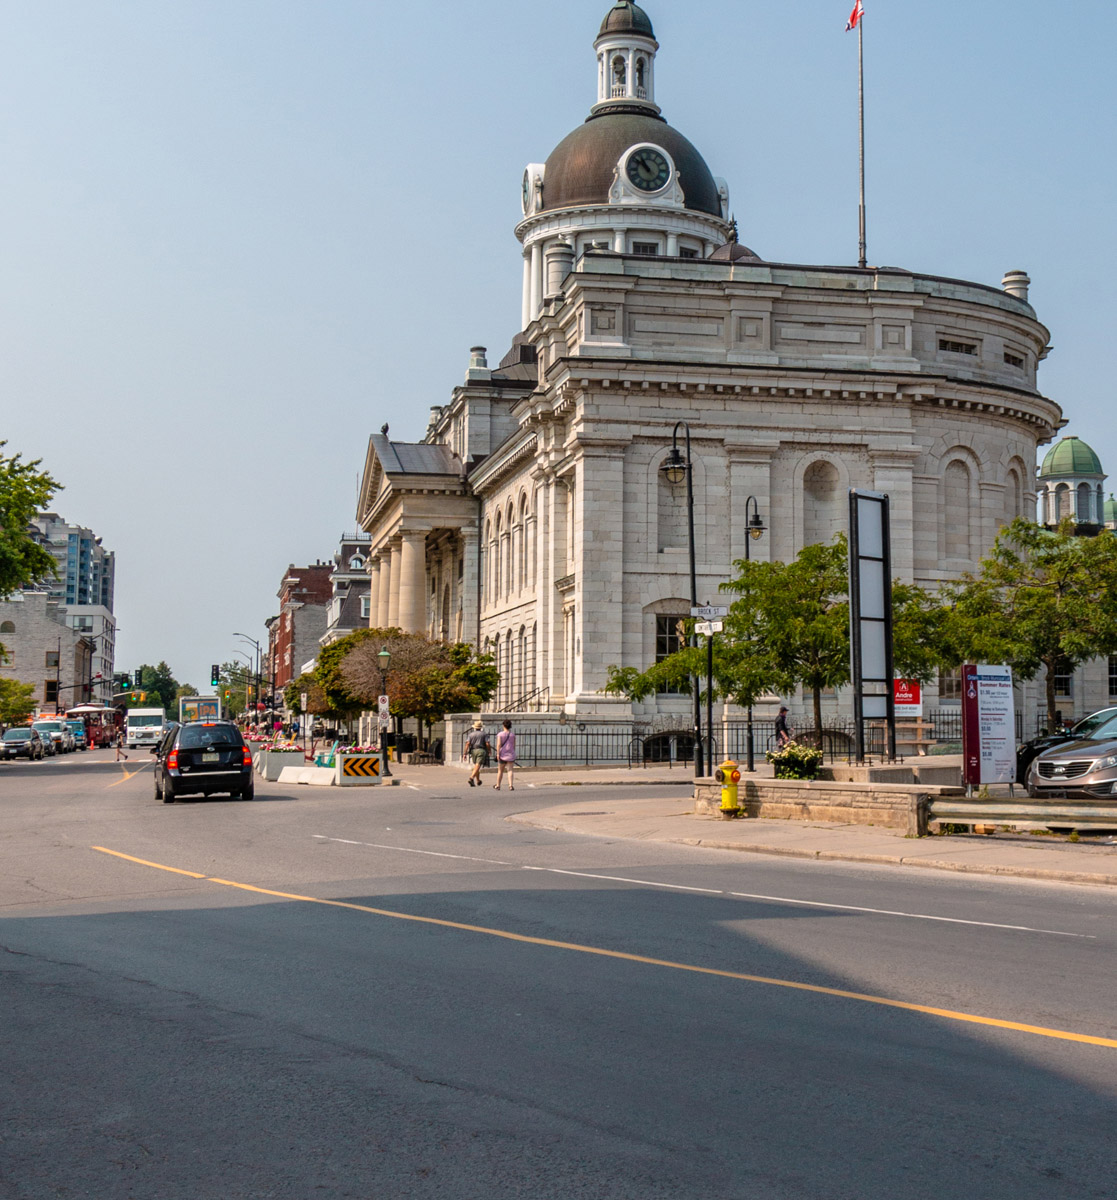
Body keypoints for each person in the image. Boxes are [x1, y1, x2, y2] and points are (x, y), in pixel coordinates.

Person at [462, 719, 491, 787]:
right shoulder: (484, 734)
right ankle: (471, 777)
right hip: (481, 750)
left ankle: (478, 780)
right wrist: (489, 750)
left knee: (476, 766)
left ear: (474, 728)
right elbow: (487, 743)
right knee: (478, 765)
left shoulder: (471, 734)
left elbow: (467, 744)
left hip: (473, 750)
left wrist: (464, 753)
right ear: (481, 727)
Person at [494, 719, 516, 791]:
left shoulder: (500, 734)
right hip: (510, 754)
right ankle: (510, 785)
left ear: (503, 725)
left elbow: (499, 744)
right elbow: (514, 745)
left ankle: (498, 785)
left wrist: (497, 754)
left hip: (502, 754)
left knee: (500, 771)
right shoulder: (512, 735)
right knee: (510, 770)